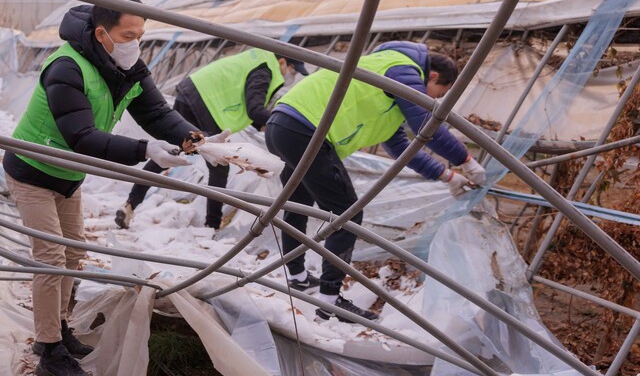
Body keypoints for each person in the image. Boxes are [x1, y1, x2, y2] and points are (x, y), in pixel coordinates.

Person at [5, 0, 201, 376]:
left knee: (74, 250)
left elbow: (156, 111)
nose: (136, 43)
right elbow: (82, 137)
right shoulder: (66, 67)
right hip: (32, 170)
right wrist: (144, 150)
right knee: (50, 256)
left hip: (68, 176)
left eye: (141, 34)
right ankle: (49, 349)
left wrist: (194, 138)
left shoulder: (125, 65)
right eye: (128, 35)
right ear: (101, 33)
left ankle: (58, 329)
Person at [265, 41, 485, 323]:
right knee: (348, 214)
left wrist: (447, 175)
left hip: (285, 124)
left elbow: (401, 148)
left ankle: (296, 276)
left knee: (299, 204)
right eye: (438, 94)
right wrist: (466, 160)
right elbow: (427, 124)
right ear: (431, 77)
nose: (434, 100)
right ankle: (331, 302)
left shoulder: (390, 92)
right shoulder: (402, 68)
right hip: (306, 128)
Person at [115, 47, 308, 231]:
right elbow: (255, 108)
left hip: (194, 93)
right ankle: (212, 224)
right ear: (282, 61)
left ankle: (129, 205)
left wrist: (262, 124)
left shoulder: (257, 58)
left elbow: (249, 104)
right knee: (218, 166)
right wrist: (277, 123)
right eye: (291, 69)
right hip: (206, 105)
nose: (290, 75)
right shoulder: (266, 69)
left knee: (170, 152)